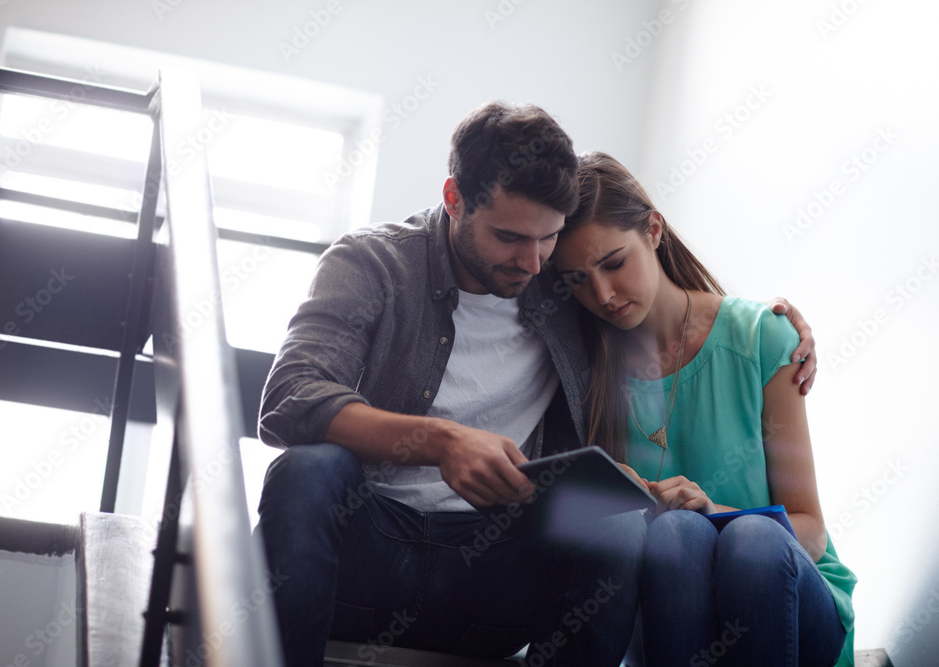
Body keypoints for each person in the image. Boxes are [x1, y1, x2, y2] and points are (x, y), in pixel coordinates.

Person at [256, 102, 648, 666]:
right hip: (364, 555)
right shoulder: (373, 262)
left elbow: (665, 298)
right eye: (510, 237)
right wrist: (442, 442)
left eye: (548, 239)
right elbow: (290, 398)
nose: (532, 263)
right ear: (453, 198)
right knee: (309, 469)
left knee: (614, 521)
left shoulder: (566, 283)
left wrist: (775, 328)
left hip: (492, 575)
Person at [549, 151, 856, 667]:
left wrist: (717, 514)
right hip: (673, 616)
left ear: (653, 230)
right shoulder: (578, 368)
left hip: (789, 598)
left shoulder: (762, 336)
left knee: (752, 540)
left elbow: (810, 529)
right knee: (675, 533)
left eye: (614, 263)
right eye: (577, 279)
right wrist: (608, 497)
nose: (602, 294)